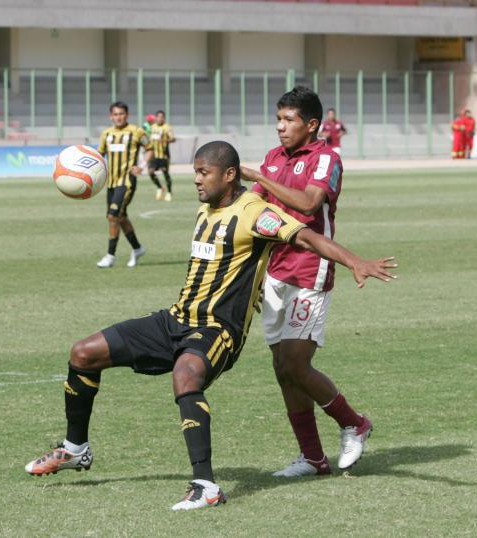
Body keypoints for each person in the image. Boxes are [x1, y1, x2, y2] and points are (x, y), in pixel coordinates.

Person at [24, 141, 397, 510]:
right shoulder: (207, 208)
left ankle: (206, 486)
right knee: (83, 353)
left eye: (204, 172)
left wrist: (354, 261)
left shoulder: (255, 212)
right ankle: (75, 449)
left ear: (230, 174)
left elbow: (306, 236)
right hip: (176, 318)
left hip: (218, 330)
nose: (197, 181)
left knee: (187, 374)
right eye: (196, 172)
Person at [240, 86, 373, 477]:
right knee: (283, 367)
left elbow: (310, 204)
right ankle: (313, 458)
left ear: (311, 124)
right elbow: (254, 202)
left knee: (297, 363)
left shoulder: (326, 157)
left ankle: (355, 423)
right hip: (274, 269)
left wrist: (259, 175)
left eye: (289, 120)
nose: (280, 127)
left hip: (309, 269)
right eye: (278, 119)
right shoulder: (272, 158)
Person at [95, 102, 153, 268]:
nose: (118, 117)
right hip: (111, 183)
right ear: (110, 116)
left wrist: (141, 165)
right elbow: (100, 155)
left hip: (127, 181)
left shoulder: (136, 132)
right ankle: (137, 248)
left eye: (121, 114)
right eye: (115, 114)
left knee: (113, 215)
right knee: (120, 217)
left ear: (127, 115)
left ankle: (110, 256)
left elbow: (149, 148)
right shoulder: (106, 134)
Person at [148, 110, 176, 201]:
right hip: (154, 155)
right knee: (151, 172)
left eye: (162, 117)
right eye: (158, 117)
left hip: (164, 155)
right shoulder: (152, 127)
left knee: (165, 172)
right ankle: (160, 187)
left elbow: (173, 139)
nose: (160, 118)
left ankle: (169, 192)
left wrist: (164, 141)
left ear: (164, 118)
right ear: (155, 118)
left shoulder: (167, 128)